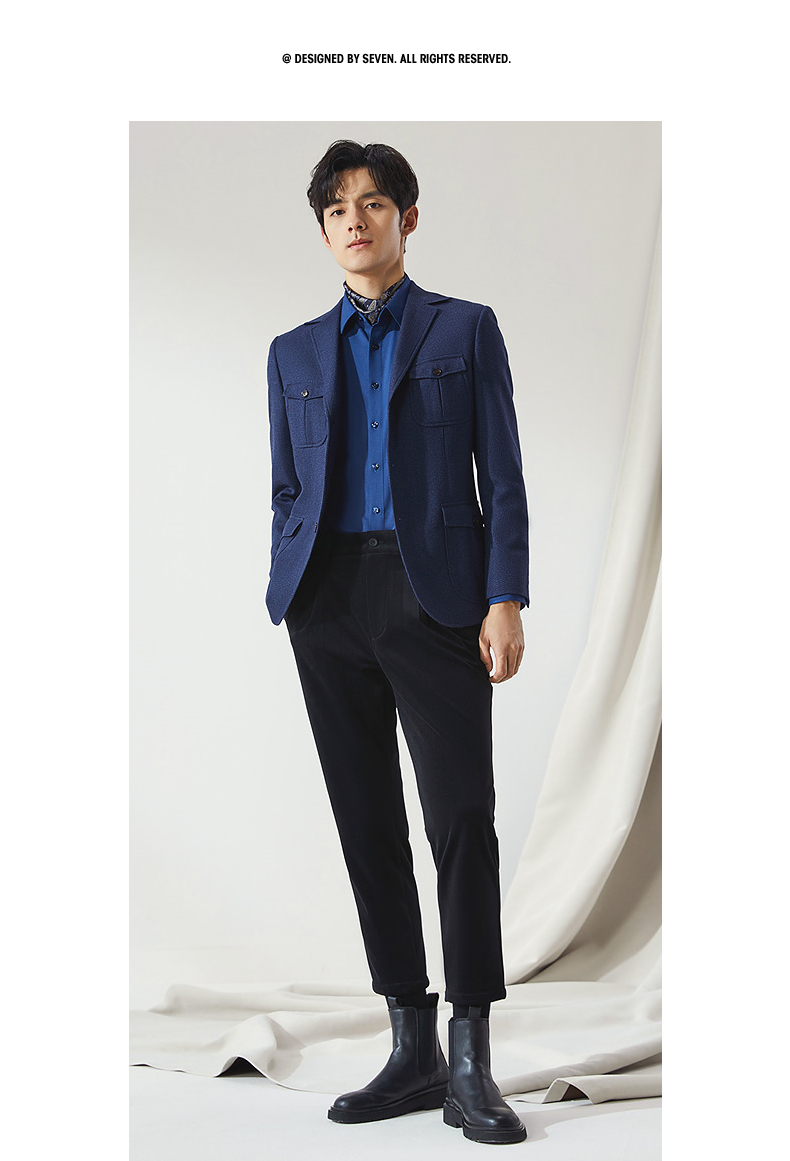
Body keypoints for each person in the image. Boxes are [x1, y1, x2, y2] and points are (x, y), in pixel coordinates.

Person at [266, 140, 529, 1146]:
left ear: (406, 219)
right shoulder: (292, 351)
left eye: (373, 204)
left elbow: (502, 473)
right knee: (366, 823)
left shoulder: (465, 328)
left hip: (439, 599)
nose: (355, 221)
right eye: (337, 209)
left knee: (461, 819)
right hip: (327, 601)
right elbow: (286, 485)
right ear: (323, 229)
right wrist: (292, 584)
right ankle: (409, 1045)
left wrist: (503, 596)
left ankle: (470, 1057)